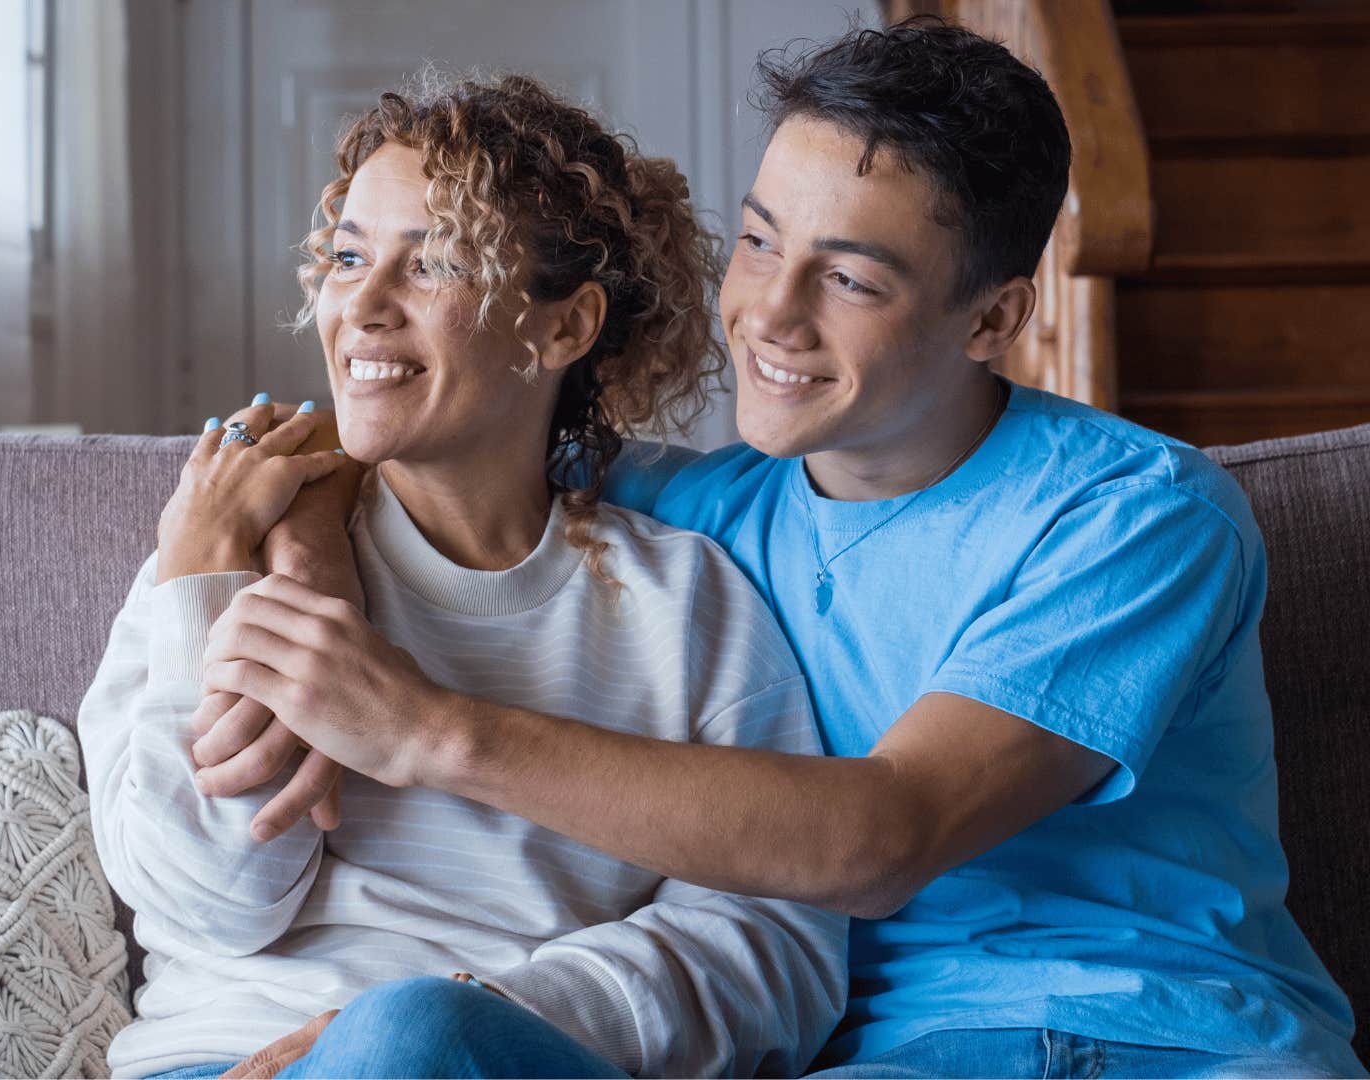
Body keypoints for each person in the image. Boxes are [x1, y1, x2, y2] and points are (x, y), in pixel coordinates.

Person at [196, 19, 1366, 1079]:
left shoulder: (1137, 517)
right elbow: (414, 439)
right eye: (760, 243)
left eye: (850, 278)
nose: (772, 313)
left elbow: (886, 836)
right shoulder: (698, 515)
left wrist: (422, 730)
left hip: (1163, 1038)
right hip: (885, 1058)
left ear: (996, 319)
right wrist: (304, 559)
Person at [78, 74, 846, 1079]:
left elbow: (776, 948)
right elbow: (213, 902)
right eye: (348, 257)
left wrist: (482, 1012)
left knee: (413, 1039)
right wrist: (208, 581)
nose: (361, 305)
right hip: (222, 1061)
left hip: (510, 1054)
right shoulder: (229, 547)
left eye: (432, 263)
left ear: (566, 328)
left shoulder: (686, 603)